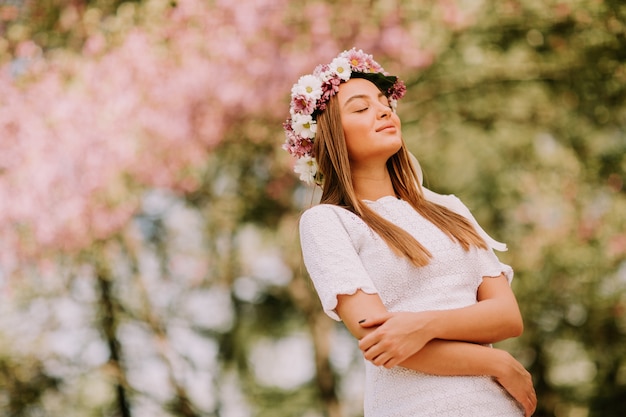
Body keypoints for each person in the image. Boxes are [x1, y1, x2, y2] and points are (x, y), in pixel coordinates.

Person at [282, 48, 537, 417]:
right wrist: (498, 364)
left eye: (384, 102)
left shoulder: (449, 208)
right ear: (330, 137)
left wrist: (421, 324)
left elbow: (507, 317)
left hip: (496, 405)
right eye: (360, 108)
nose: (384, 111)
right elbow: (381, 342)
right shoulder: (327, 222)